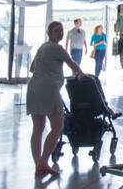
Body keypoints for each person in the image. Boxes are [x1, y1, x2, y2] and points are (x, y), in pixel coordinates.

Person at [27, 20, 83, 178]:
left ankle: (38, 163)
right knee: (57, 126)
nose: (60, 33)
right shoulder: (56, 48)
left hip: (33, 89)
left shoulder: (42, 48)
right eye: (56, 31)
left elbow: (33, 68)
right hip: (49, 90)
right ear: (50, 34)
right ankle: (43, 162)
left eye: (61, 30)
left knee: (37, 128)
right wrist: (82, 74)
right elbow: (71, 63)